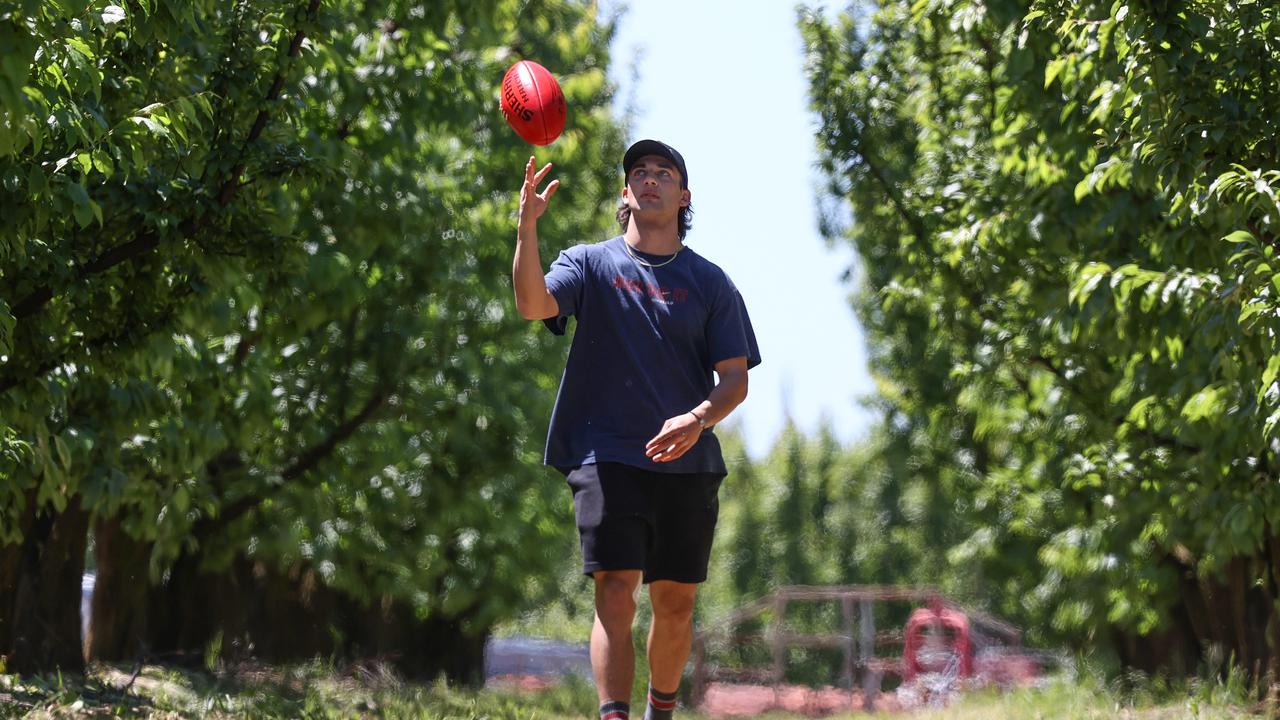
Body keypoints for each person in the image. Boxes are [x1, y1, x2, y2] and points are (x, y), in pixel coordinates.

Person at [512, 139, 761, 720]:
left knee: (674, 604)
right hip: (607, 454)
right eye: (639, 173)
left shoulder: (712, 283)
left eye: (664, 173)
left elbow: (734, 381)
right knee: (614, 592)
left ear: (683, 196)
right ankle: (614, 715)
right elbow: (532, 304)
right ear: (626, 193)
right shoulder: (590, 263)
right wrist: (527, 228)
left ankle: (661, 711)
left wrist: (699, 419)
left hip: (687, 462)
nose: (650, 179)